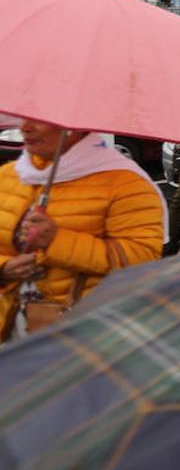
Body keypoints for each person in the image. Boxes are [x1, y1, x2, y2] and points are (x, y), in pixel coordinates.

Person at [0, 122, 165, 342]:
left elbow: (141, 259)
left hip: (83, 334)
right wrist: (4, 269)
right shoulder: (9, 175)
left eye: (39, 121)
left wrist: (55, 241)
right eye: (26, 119)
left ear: (72, 127)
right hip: (10, 329)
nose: (26, 128)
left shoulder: (127, 185)